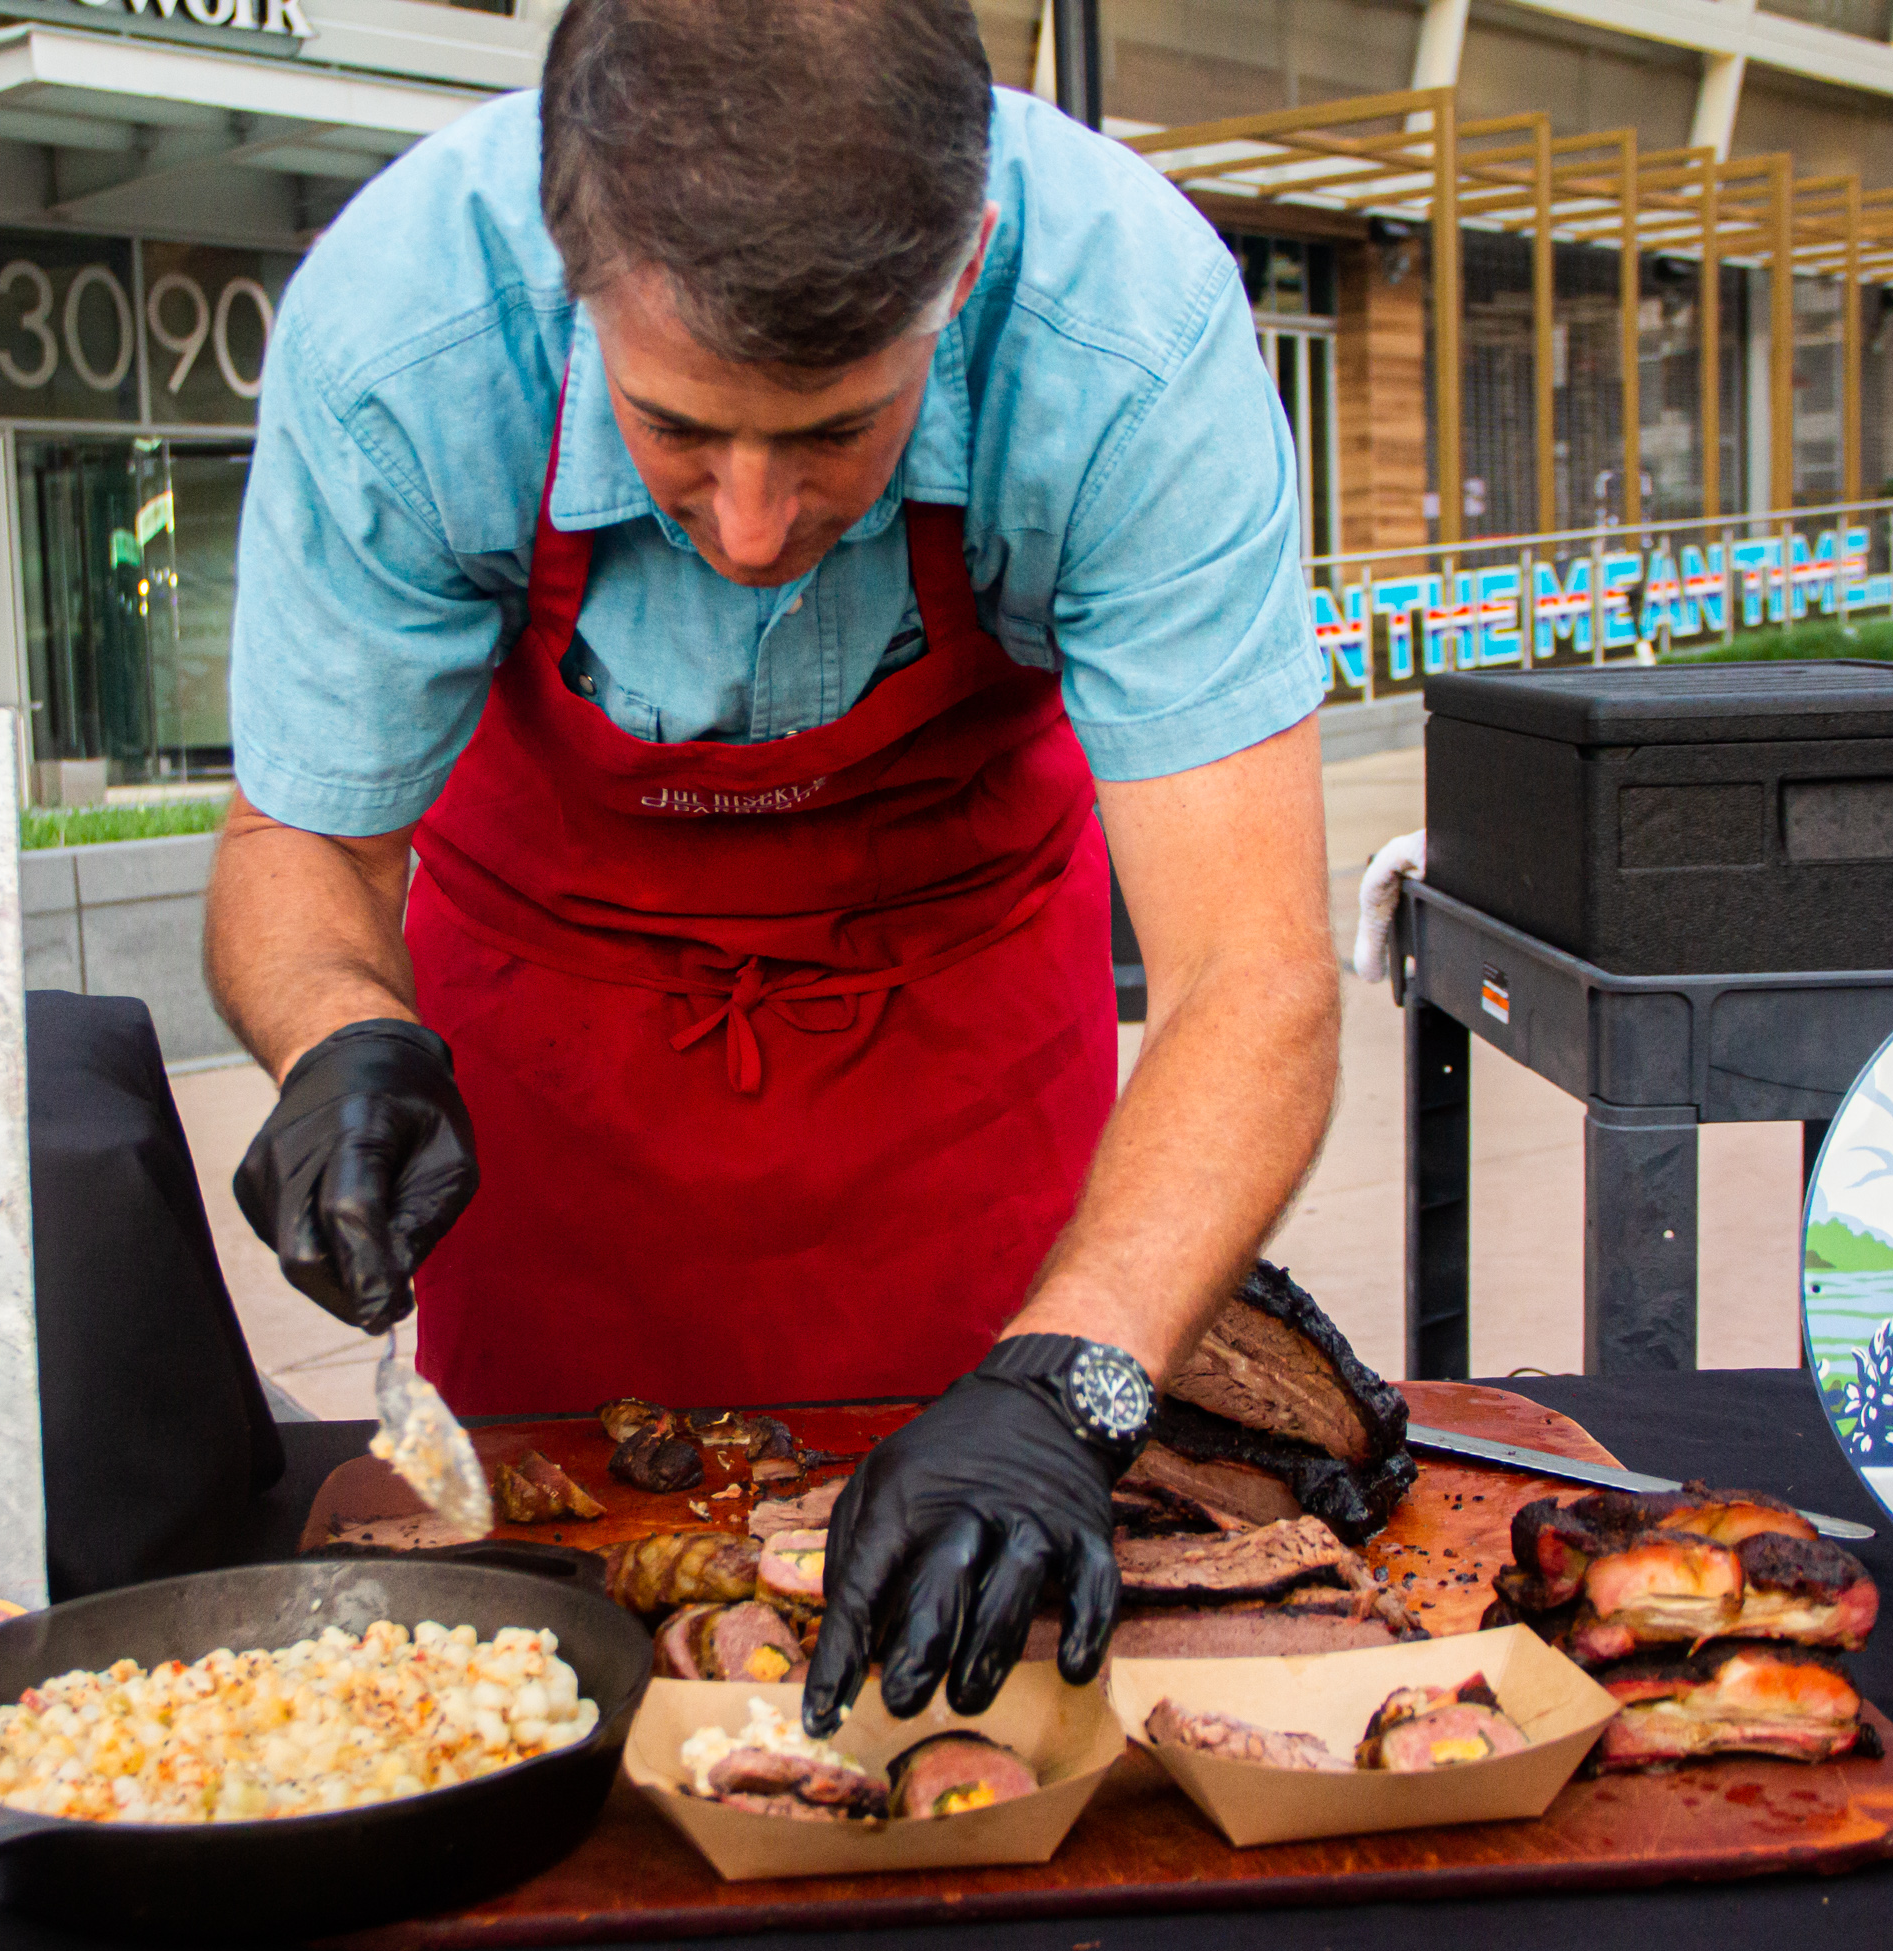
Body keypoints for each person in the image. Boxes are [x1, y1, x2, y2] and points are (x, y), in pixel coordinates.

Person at [212, 0, 1339, 1734]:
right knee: (554, 1657)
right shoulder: (404, 338)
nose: (747, 528)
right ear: (572, 269)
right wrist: (333, 1032)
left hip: (959, 1037)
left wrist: (1075, 1374)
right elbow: (305, 839)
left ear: (958, 270)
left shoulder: (1128, 333)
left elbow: (1250, 971)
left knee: (988, 1692)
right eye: (677, 432)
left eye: (830, 434)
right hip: (552, 1065)